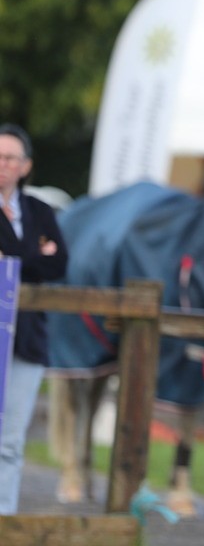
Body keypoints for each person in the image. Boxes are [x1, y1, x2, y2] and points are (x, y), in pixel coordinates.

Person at [0, 123, 69, 514]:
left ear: (25, 165)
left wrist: (18, 258)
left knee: (10, 440)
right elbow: (39, 257)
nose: (3, 165)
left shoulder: (40, 210)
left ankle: (4, 520)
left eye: (10, 158)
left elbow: (60, 263)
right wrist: (35, 254)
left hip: (26, 337)